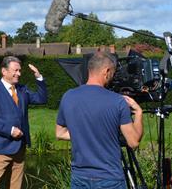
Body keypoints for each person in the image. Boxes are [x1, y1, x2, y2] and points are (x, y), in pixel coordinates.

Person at [56, 51, 143, 189]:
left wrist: (85, 135)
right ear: (106, 71)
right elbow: (133, 142)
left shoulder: (68, 96)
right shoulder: (118, 102)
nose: (113, 77)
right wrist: (138, 113)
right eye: (113, 73)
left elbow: (60, 133)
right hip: (109, 178)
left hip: (79, 177)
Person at [0, 55, 48, 189]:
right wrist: (10, 130)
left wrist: (38, 77)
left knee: (15, 187)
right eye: (15, 70)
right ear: (4, 71)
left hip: (19, 148)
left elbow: (42, 99)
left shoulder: (22, 89)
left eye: (19, 70)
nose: (19, 74)